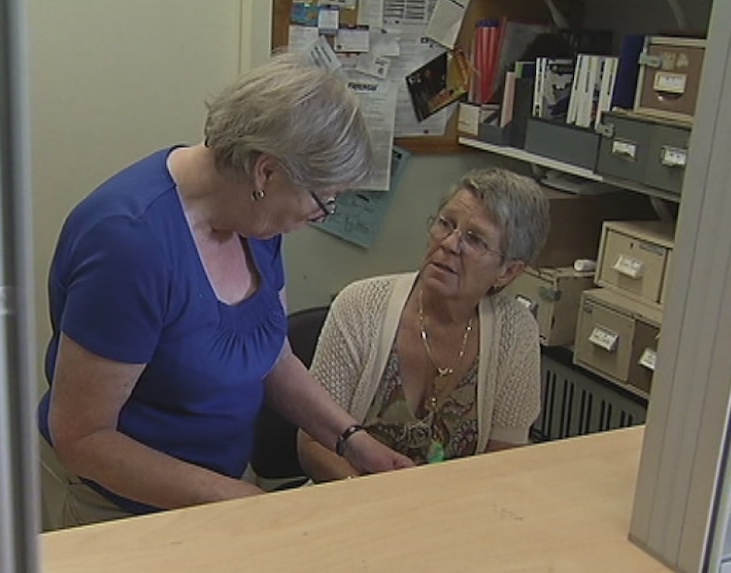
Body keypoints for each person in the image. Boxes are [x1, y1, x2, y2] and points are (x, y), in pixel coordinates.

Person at [37, 53, 415, 529]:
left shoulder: (254, 220)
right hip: (116, 510)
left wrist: (354, 441)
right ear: (266, 172)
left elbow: (271, 357)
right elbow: (83, 437)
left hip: (221, 490)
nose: (320, 215)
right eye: (324, 200)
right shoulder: (129, 243)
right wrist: (241, 501)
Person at [297, 168, 550, 481]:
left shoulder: (515, 331)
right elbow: (312, 442)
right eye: (446, 223)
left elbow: (504, 462)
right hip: (351, 505)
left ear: (508, 272)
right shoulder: (360, 306)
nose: (449, 243)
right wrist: (375, 505)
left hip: (455, 514)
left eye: (474, 239)